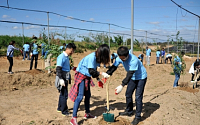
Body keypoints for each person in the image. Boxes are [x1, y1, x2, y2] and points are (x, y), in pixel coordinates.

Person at [69, 44, 110, 125]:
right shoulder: (92, 57)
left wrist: (98, 79)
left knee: (88, 95)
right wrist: (102, 73)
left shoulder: (97, 58)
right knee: (80, 96)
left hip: (87, 76)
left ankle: (87, 113)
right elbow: (91, 71)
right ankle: (73, 118)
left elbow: (94, 71)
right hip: (81, 75)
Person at [106, 46, 147, 125]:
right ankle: (129, 111)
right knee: (128, 94)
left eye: (123, 59)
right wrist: (107, 73)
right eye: (120, 58)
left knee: (138, 97)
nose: (122, 60)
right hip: (133, 78)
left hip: (141, 77)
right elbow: (114, 67)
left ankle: (138, 117)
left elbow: (130, 74)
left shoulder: (133, 60)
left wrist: (122, 85)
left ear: (127, 55)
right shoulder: (119, 58)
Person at [55, 43, 76, 116]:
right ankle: (64, 111)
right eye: (72, 51)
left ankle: (59, 108)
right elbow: (58, 68)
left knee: (62, 93)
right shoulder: (61, 57)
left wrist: (73, 68)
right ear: (67, 49)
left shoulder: (66, 57)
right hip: (62, 77)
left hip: (65, 76)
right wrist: (61, 79)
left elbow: (66, 66)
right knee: (64, 94)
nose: (72, 52)